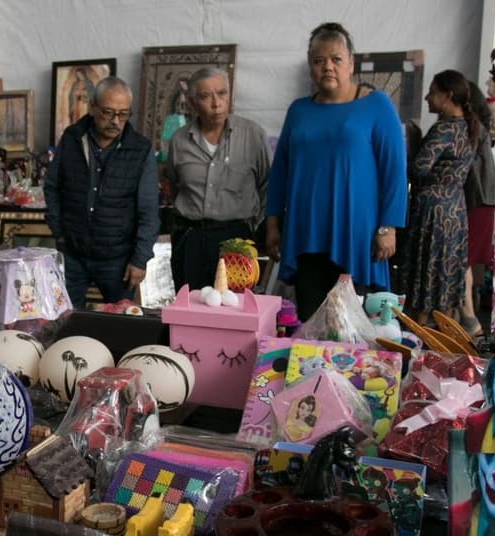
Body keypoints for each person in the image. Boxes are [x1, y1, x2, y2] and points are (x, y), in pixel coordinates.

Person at [265, 23, 407, 321]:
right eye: (318, 61)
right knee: (311, 320)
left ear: (351, 63)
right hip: (306, 231)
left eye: (336, 59)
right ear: (310, 66)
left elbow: (394, 169)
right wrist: (273, 222)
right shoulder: (299, 110)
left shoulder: (376, 105)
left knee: (356, 326)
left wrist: (388, 227)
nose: (327, 67)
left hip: (359, 235)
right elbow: (280, 170)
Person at [44, 76, 160, 307]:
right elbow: (52, 186)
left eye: (123, 114)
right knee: (65, 318)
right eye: (108, 112)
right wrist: (59, 231)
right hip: (73, 253)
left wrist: (140, 259)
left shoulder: (140, 149)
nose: (116, 121)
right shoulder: (72, 138)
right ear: (92, 107)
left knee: (121, 323)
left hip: (118, 259)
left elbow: (148, 209)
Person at [166, 67, 269, 291]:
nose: (216, 103)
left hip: (236, 239)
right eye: (205, 96)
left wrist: (252, 225)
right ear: (193, 103)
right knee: (190, 311)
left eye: (222, 93)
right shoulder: (179, 141)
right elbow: (175, 187)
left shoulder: (252, 135)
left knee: (234, 312)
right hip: (190, 238)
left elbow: (267, 186)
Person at [402, 70, 478, 328]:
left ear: (447, 95)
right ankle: (445, 335)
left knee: (425, 278)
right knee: (443, 280)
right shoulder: (466, 126)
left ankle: (419, 336)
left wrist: (412, 145)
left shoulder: (444, 129)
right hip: (455, 209)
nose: (426, 97)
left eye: (432, 91)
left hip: (433, 212)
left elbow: (419, 168)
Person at [461, 81, 495, 334]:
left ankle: (469, 319)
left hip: (474, 199)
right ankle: (471, 305)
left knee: (462, 258)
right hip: (485, 199)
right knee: (474, 258)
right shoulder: (482, 126)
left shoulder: (468, 127)